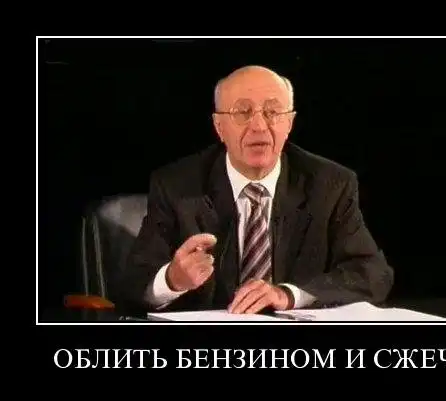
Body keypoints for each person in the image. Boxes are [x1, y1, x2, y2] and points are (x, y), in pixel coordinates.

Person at [116, 65, 394, 314]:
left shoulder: (330, 185)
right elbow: (133, 285)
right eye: (243, 112)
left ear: (289, 123)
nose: (259, 126)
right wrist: (172, 280)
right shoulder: (177, 186)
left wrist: (288, 295)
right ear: (219, 127)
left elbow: (372, 274)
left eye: (273, 112)